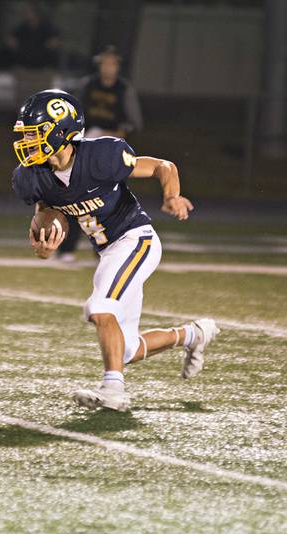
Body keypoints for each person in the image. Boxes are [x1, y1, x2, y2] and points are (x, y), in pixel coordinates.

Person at [11, 89, 220, 411]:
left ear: (62, 131)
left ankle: (114, 390)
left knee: (101, 308)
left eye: (35, 133)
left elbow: (163, 166)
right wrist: (44, 241)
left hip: (136, 239)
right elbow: (46, 207)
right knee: (124, 350)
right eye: (25, 134)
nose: (27, 142)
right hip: (108, 250)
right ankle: (193, 334)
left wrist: (172, 196)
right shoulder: (32, 176)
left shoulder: (100, 156)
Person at [56, 47, 144, 262]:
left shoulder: (124, 89)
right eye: (105, 63)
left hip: (109, 152)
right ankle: (66, 248)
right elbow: (74, 114)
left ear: (118, 66)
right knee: (74, 198)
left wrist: (115, 133)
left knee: (107, 202)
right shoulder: (88, 85)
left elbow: (135, 123)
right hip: (84, 147)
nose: (108, 67)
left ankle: (106, 250)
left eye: (112, 63)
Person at [5, 2, 61, 105]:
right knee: (23, 102)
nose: (27, 14)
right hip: (24, 71)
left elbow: (55, 43)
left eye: (29, 12)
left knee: (42, 101)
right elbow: (11, 44)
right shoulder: (20, 29)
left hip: (42, 72)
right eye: (25, 12)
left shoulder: (48, 28)